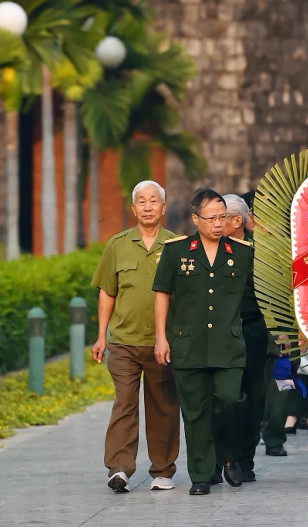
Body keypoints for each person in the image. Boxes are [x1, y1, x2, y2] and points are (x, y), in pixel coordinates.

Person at [153, 188, 253, 495]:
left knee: (229, 401)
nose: (218, 224)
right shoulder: (176, 251)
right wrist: (161, 338)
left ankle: (228, 455)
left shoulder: (243, 253)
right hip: (188, 344)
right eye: (211, 218)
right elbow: (162, 294)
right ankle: (200, 474)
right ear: (196, 219)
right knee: (194, 412)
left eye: (223, 217)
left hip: (228, 345)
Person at [90, 180, 180, 493]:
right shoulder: (117, 244)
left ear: (163, 207)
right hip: (123, 341)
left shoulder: (177, 245)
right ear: (133, 208)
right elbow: (107, 293)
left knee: (163, 406)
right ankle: (119, 468)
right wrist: (101, 336)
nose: (147, 206)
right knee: (124, 402)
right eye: (141, 201)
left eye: (153, 201)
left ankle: (163, 470)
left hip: (162, 343)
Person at [215, 193, 270, 482]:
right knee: (221, 397)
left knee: (251, 396)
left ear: (237, 221)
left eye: (221, 217)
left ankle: (244, 458)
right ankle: (217, 458)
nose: (215, 222)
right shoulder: (208, 250)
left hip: (252, 330)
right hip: (217, 333)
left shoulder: (261, 254)